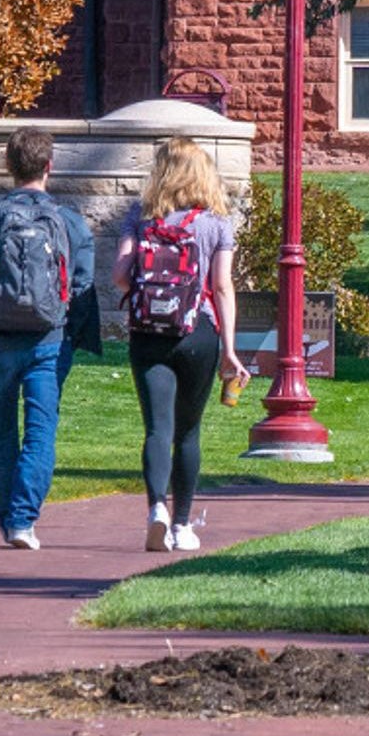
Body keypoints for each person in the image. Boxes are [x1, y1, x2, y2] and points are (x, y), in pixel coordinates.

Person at [0, 130, 100, 550]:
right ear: (49, 166)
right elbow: (83, 286)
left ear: (9, 167)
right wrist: (70, 339)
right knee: (40, 431)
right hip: (49, 342)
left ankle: (6, 513)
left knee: (0, 431)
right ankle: (22, 519)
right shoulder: (67, 221)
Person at [110, 136, 251, 552]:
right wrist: (229, 349)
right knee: (187, 432)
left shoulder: (139, 216)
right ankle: (183, 525)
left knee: (156, 428)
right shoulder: (216, 223)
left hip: (148, 333)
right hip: (198, 333)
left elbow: (120, 276)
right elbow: (222, 287)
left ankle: (157, 507)